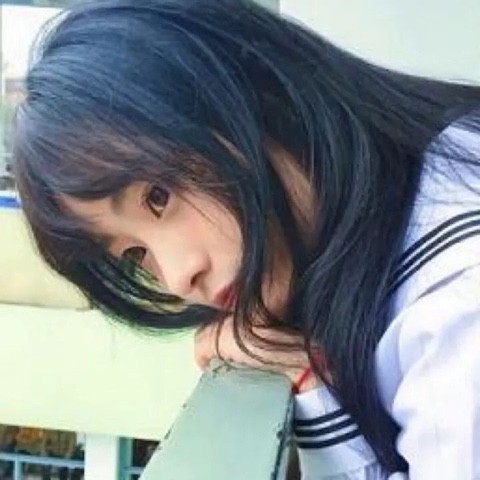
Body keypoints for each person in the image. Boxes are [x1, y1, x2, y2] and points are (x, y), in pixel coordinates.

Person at [12, 0, 480, 478]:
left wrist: (325, 414)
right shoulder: (440, 162)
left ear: (250, 93)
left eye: (158, 196)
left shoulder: (457, 310)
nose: (177, 277)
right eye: (136, 253)